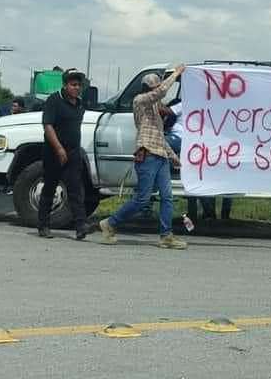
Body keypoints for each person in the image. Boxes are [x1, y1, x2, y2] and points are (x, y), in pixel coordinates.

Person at [100, 65, 187, 249]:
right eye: (155, 88)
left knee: (167, 196)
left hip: (160, 154)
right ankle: (110, 223)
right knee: (142, 199)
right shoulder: (139, 101)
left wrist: (172, 156)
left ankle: (166, 235)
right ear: (149, 89)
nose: (158, 90)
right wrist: (177, 74)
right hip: (147, 154)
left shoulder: (154, 108)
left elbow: (158, 134)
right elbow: (161, 92)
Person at [37, 68, 90, 240]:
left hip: (73, 152)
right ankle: (43, 225)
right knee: (50, 187)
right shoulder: (54, 100)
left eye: (79, 85)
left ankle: (81, 225)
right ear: (65, 85)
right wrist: (59, 148)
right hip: (54, 151)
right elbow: (48, 126)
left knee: (75, 188)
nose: (77, 88)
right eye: (73, 84)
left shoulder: (80, 103)